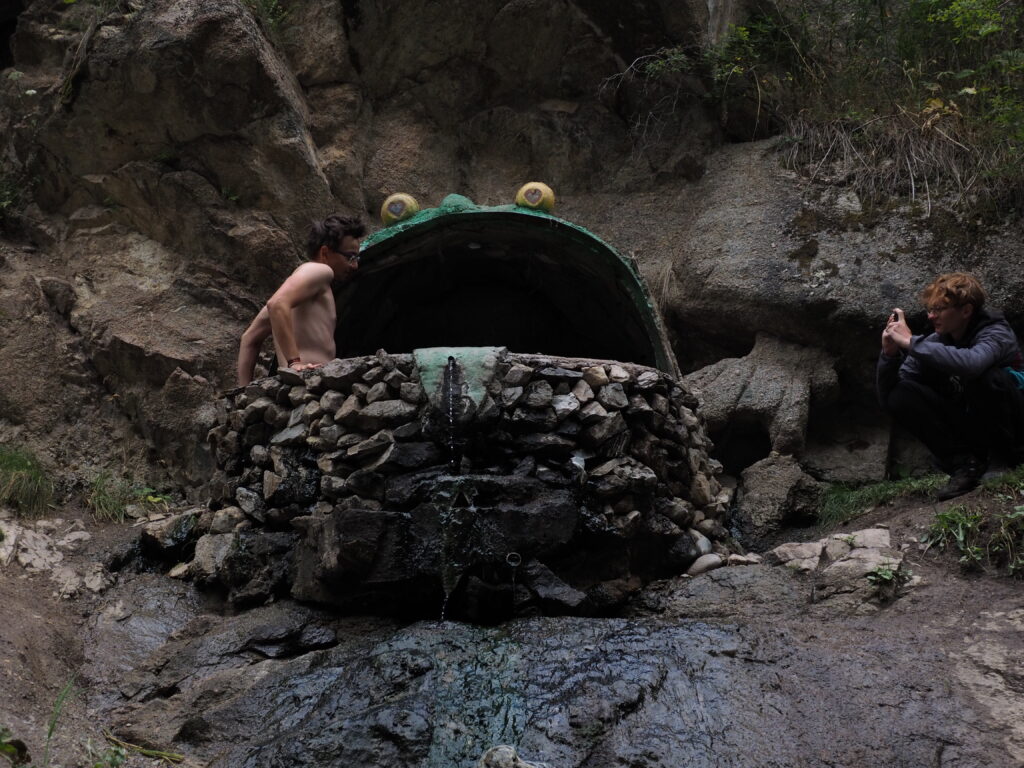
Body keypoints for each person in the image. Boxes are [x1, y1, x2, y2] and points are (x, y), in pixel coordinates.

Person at [877, 272, 1024, 500]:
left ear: (966, 311)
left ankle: (1003, 460)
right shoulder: (937, 340)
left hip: (1015, 428)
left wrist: (910, 342)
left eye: (939, 310)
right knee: (901, 395)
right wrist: (889, 354)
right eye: (930, 309)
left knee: (986, 377)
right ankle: (965, 466)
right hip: (974, 427)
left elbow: (973, 363)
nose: (931, 316)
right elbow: (892, 395)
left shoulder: (996, 331)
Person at [237, 214, 365, 387]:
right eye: (350, 257)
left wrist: (244, 392)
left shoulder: (299, 289)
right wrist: (294, 363)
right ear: (325, 252)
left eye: (357, 258)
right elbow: (277, 304)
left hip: (298, 389)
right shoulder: (319, 270)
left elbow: (250, 338)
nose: (354, 265)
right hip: (310, 383)